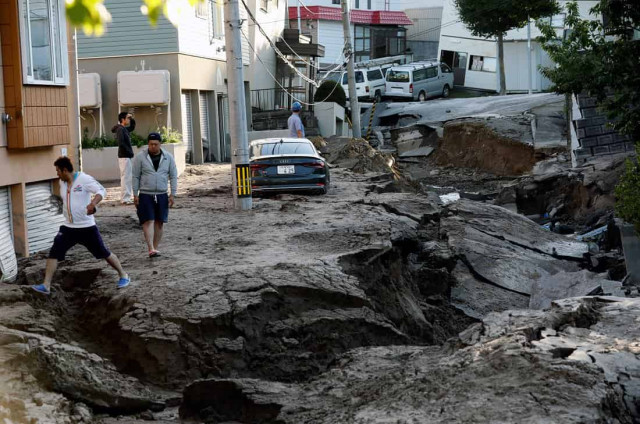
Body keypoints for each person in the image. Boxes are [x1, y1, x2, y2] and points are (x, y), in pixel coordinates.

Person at [31, 157, 130, 295]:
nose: (57, 174)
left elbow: (101, 191)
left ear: (65, 170)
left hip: (86, 227)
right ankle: (46, 285)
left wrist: (93, 204)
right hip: (68, 228)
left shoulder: (84, 179)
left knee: (103, 252)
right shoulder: (62, 183)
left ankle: (123, 275)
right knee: (54, 252)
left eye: (58, 171)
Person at [132, 132, 178, 258]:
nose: (153, 146)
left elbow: (173, 176)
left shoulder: (168, 157)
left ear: (160, 144)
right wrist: (135, 194)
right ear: (148, 144)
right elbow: (135, 176)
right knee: (148, 220)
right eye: (151, 144)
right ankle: (150, 248)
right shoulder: (140, 157)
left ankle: (155, 248)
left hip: (162, 193)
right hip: (146, 194)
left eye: (155, 144)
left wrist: (173, 194)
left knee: (159, 222)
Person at [112, 111, 136, 204]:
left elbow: (132, 127)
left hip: (125, 156)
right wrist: (129, 152)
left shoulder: (123, 129)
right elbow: (121, 143)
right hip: (124, 156)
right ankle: (125, 199)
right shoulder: (121, 130)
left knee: (127, 177)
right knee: (126, 178)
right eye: (128, 118)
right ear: (123, 119)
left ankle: (126, 198)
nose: (129, 120)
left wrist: (132, 118)